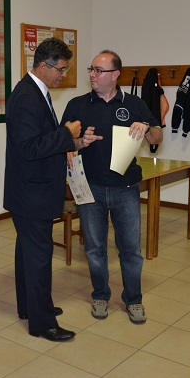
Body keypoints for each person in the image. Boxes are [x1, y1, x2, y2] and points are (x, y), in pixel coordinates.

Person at [4, 38, 100, 342]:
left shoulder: (36, 92)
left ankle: (30, 307)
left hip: (31, 191)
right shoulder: (26, 97)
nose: (64, 75)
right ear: (44, 65)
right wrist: (65, 133)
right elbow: (30, 148)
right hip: (31, 194)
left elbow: (42, 142)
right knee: (39, 257)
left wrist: (75, 142)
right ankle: (42, 323)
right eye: (61, 69)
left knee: (28, 255)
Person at [61, 50, 163, 324]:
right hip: (90, 188)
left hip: (125, 187)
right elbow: (63, 141)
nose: (92, 75)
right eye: (91, 69)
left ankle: (134, 299)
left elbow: (157, 136)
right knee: (95, 249)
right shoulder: (77, 105)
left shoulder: (134, 104)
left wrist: (146, 128)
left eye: (99, 70)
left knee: (130, 249)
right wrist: (78, 143)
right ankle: (100, 295)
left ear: (116, 74)